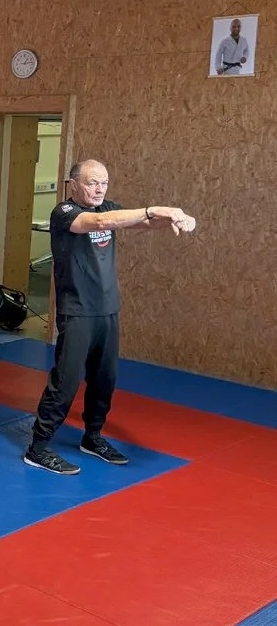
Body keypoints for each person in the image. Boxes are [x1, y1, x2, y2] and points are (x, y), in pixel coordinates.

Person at [23, 159, 197, 475]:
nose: (99, 189)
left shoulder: (109, 208)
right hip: (77, 311)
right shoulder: (65, 213)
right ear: (73, 184)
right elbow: (100, 222)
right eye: (92, 182)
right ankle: (38, 448)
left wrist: (174, 217)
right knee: (66, 382)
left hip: (107, 309)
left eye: (104, 182)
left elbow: (141, 223)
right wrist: (154, 209)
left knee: (104, 380)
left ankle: (92, 437)